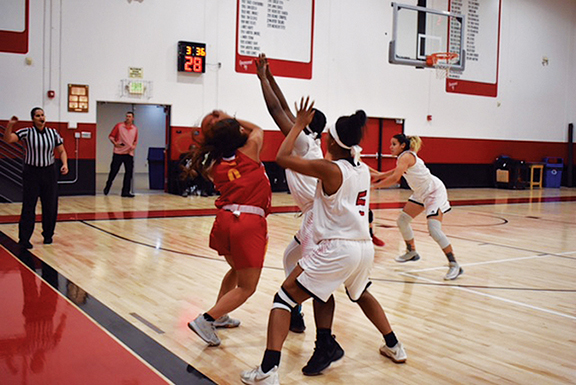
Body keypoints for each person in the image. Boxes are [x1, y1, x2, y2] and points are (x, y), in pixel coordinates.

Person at [241, 99, 406, 384]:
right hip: (362, 248)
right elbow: (370, 172)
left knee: (284, 298)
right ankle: (393, 345)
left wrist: (298, 126)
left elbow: (281, 158)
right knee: (358, 293)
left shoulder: (329, 169)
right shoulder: (361, 169)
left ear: (332, 140)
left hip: (337, 248)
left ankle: (267, 371)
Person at [187, 112, 271, 347]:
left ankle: (220, 315)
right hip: (247, 222)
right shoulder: (250, 149)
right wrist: (227, 116)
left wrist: (219, 128)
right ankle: (206, 319)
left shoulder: (214, 165)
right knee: (247, 287)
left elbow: (244, 133)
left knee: (236, 269)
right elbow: (257, 128)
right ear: (238, 136)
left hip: (224, 221)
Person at [371, 134, 463, 280]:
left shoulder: (406, 156)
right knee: (402, 221)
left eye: (393, 144)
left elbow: (396, 178)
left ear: (402, 145)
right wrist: (380, 175)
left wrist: (375, 186)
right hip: (421, 193)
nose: (390, 147)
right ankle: (411, 251)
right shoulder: (402, 158)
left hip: (433, 191)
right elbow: (398, 171)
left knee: (434, 230)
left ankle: (454, 264)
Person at [3, 109, 69, 248]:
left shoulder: (53, 133)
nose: (41, 118)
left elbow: (61, 150)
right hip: (32, 173)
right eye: (38, 116)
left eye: (42, 115)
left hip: (49, 172)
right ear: (33, 119)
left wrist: (65, 164)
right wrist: (10, 125)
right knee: (29, 205)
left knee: (50, 205)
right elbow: (8, 139)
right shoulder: (27, 132)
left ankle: (48, 235)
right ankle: (25, 239)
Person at [103, 111, 138, 197]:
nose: (127, 118)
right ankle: (108, 186)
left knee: (128, 173)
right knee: (114, 171)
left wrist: (133, 146)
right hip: (118, 153)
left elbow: (135, 140)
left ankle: (125, 191)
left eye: (129, 116)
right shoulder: (119, 126)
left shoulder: (135, 129)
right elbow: (111, 136)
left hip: (129, 154)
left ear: (133, 118)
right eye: (126, 116)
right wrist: (115, 143)